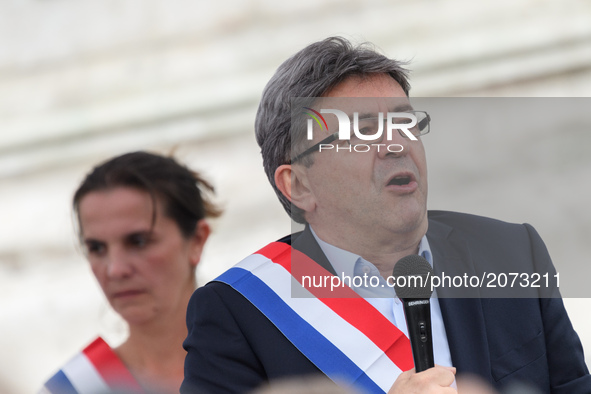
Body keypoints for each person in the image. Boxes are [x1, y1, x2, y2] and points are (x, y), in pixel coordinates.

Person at [181, 37, 590, 393]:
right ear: (298, 185)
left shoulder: (512, 252)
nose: (396, 144)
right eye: (362, 131)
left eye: (404, 121)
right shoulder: (237, 314)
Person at [41, 151, 221, 393]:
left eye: (138, 242)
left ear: (197, 240)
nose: (115, 269)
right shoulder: (76, 388)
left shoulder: (269, 357)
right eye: (96, 248)